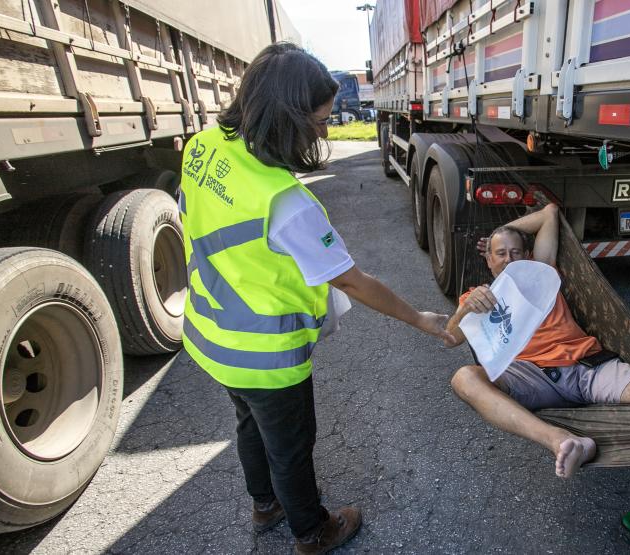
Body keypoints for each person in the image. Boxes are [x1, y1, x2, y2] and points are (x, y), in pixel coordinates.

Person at [178, 43, 455, 554]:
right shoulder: (284, 201)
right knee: (289, 448)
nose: (324, 133)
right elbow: (351, 280)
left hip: (212, 338)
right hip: (266, 356)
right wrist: (422, 319)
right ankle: (312, 531)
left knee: (249, 425)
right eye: (319, 122)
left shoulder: (204, 145)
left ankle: (265, 505)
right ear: (285, 115)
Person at [446, 203, 630, 478]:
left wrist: (502, 232)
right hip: (530, 376)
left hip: (584, 366)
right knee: (464, 378)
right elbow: (451, 338)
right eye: (500, 253)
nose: (508, 259)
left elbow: (549, 212)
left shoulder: (543, 272)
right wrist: (465, 309)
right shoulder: (476, 296)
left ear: (527, 255)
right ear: (488, 260)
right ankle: (559, 440)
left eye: (515, 252)